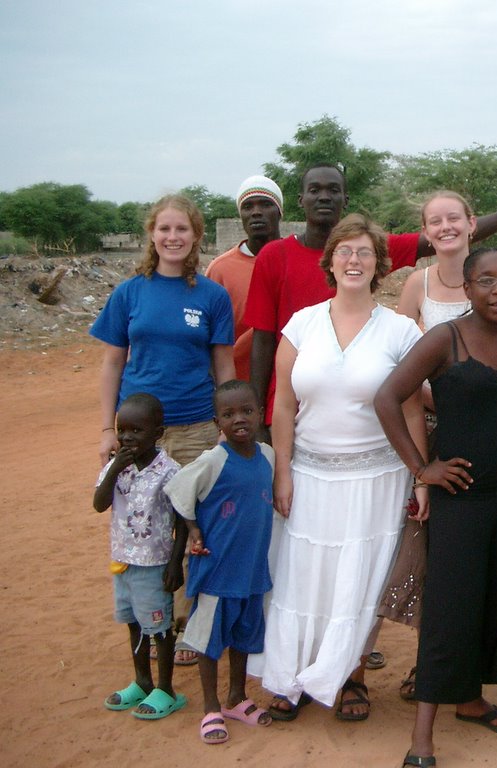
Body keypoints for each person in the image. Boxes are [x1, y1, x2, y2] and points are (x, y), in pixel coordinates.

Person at [374, 247, 497, 768]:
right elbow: (388, 397)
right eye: (487, 281)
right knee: (450, 607)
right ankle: (422, 736)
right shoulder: (443, 339)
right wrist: (421, 467)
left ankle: (472, 699)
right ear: (468, 288)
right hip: (460, 501)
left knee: (493, 599)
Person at [248, 214, 427, 723]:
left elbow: (412, 408)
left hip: (377, 479)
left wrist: (419, 476)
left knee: (360, 579)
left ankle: (351, 678)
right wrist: (282, 471)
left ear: (379, 265)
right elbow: (282, 405)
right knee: (302, 577)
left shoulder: (399, 330)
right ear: (329, 262)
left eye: (364, 252)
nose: (354, 260)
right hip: (309, 474)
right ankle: (291, 676)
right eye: (344, 251)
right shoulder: (301, 324)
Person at [244, 164, 497, 434]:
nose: (323, 196)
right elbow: (262, 340)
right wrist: (258, 416)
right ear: (301, 199)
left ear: (345, 198)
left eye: (333, 190)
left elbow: (448, 235)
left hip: (361, 410)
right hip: (292, 407)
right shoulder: (275, 256)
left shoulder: (373, 248)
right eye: (314, 190)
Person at [91, 193, 236, 665]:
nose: (173, 237)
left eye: (182, 230)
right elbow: (113, 362)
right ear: (152, 235)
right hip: (140, 438)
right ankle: (161, 621)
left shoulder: (212, 296)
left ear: (196, 237)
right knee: (147, 528)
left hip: (195, 427)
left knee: (193, 525)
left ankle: (194, 623)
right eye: (164, 229)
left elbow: (223, 365)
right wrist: (107, 429)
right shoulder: (130, 292)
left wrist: (225, 426)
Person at [164, 380, 276, 744]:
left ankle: (236, 698)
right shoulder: (213, 460)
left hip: (252, 571)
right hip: (217, 571)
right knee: (210, 640)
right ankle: (211, 706)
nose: (239, 419)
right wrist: (194, 530)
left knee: (244, 636)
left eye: (247, 411)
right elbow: (178, 490)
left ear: (260, 414)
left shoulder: (267, 456)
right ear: (217, 422)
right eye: (229, 414)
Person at [94, 393, 187, 720]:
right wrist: (115, 467)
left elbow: (183, 520)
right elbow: (99, 504)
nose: (127, 438)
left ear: (158, 433)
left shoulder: (170, 471)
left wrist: (176, 563)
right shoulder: (115, 467)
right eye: (123, 430)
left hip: (154, 565)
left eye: (137, 431)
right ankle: (142, 681)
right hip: (122, 561)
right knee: (134, 624)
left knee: (159, 629)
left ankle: (166, 689)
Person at [205, 176, 285, 381]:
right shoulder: (220, 269)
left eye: (266, 204)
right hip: (239, 387)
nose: (256, 212)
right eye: (248, 206)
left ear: (280, 212)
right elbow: (209, 337)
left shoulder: (294, 261)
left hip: (290, 386)